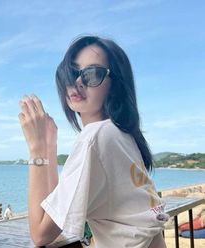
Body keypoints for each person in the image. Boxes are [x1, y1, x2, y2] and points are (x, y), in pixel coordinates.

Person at [18, 35, 170, 247]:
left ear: (115, 85)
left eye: (92, 74)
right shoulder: (122, 136)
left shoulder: (96, 138)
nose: (77, 81)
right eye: (70, 73)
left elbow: (41, 233)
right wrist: (50, 147)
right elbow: (57, 209)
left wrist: (37, 148)